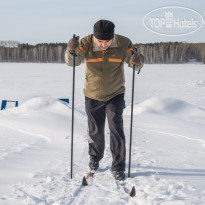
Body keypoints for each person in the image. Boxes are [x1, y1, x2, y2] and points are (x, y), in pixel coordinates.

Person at [65, 19, 144, 181]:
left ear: (113, 37)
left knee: (116, 129)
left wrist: (137, 60)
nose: (104, 45)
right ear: (95, 37)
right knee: (95, 130)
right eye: (100, 41)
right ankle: (95, 158)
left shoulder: (124, 43)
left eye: (107, 41)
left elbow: (135, 62)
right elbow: (72, 62)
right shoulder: (85, 43)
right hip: (92, 95)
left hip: (115, 94)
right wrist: (70, 50)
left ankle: (119, 166)